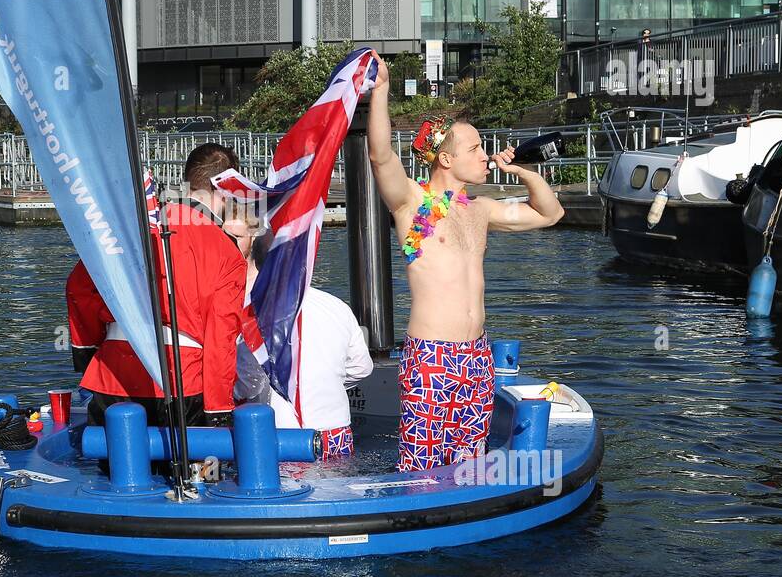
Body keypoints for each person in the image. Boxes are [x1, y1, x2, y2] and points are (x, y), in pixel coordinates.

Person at [365, 53, 565, 471]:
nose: (485, 155)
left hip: (477, 356)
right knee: (422, 466)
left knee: (468, 464)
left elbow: (550, 214)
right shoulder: (412, 203)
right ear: (446, 159)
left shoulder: (480, 209)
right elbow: (381, 157)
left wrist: (523, 171)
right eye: (475, 148)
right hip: (432, 356)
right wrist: (381, 91)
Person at [67, 143, 248, 430]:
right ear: (227, 189)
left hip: (113, 374)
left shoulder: (131, 227)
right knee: (188, 474)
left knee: (110, 471)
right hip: (181, 383)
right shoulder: (227, 252)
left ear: (187, 181)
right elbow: (221, 336)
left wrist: (87, 350)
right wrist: (218, 410)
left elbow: (81, 287)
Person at [239, 234, 373, 459]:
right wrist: (325, 382)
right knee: (337, 490)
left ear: (258, 264)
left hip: (281, 433)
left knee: (285, 492)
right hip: (335, 429)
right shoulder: (336, 306)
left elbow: (249, 384)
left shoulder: (252, 315)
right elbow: (363, 367)